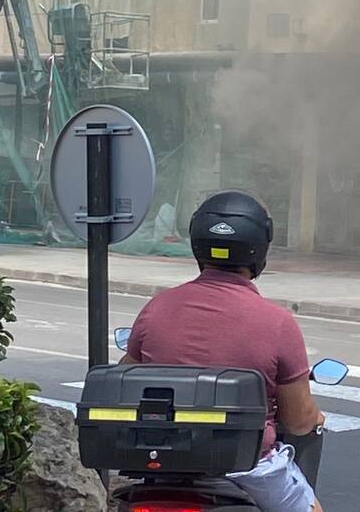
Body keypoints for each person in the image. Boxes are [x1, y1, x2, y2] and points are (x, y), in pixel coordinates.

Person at [120, 190, 326, 512]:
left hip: (160, 465)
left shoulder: (156, 309)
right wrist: (316, 417)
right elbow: (299, 421)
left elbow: (124, 379)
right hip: (248, 468)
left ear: (197, 244)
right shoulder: (278, 323)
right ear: (260, 249)